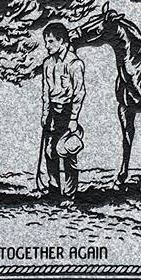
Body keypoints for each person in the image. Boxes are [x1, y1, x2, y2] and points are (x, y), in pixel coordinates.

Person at [40, 22, 85, 201]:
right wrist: (45, 114)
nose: (47, 45)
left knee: (67, 152)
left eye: (50, 41)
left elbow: (79, 93)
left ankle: (69, 194)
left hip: (67, 112)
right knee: (49, 151)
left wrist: (73, 118)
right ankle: (53, 189)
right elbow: (45, 92)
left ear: (62, 41)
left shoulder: (74, 63)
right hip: (52, 112)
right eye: (46, 41)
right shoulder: (47, 63)